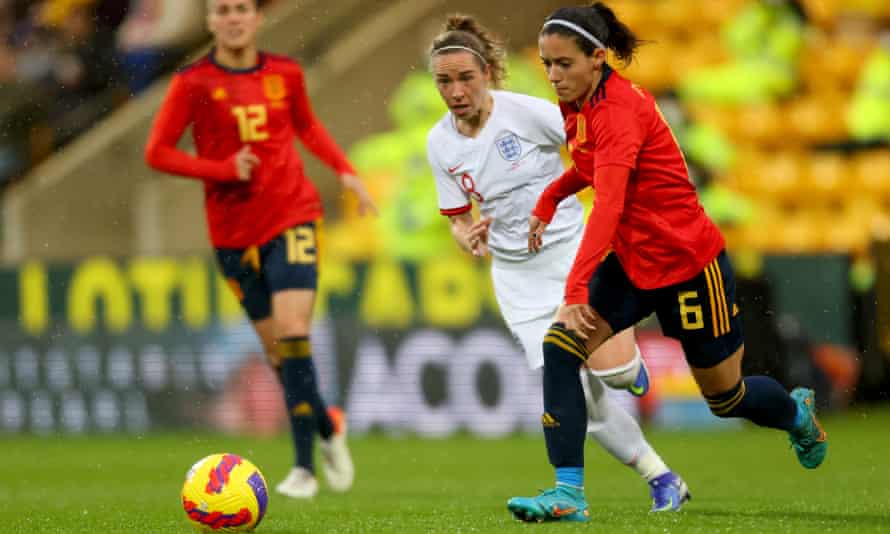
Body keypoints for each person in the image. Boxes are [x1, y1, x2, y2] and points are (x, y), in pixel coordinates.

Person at [507, 2, 828, 523]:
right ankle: (568, 492)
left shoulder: (617, 110)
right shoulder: (580, 101)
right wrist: (551, 196)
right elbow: (594, 168)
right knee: (561, 348)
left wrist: (573, 291)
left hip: (688, 266)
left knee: (726, 398)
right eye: (546, 63)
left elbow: (608, 204)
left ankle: (797, 414)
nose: (552, 75)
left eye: (563, 64)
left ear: (596, 57)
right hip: (636, 264)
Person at [425, 14, 688, 515]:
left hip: (571, 254)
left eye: (465, 78)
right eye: (444, 81)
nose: (456, 91)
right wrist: (467, 236)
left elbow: (594, 151)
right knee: (580, 399)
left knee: (612, 379)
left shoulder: (527, 113)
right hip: (517, 280)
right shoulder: (440, 144)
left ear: (487, 74)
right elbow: (457, 219)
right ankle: (662, 478)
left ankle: (628, 366)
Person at [145, 0, 377, 499]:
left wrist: (346, 171)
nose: (233, 17)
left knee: (295, 333)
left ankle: (303, 470)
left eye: (242, 8)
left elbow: (307, 127)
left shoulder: (285, 73)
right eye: (223, 9)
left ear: (257, 18)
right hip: (232, 233)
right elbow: (157, 152)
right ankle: (327, 421)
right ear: (210, 20)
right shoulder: (192, 83)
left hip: (291, 215)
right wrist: (223, 169)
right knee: (278, 356)